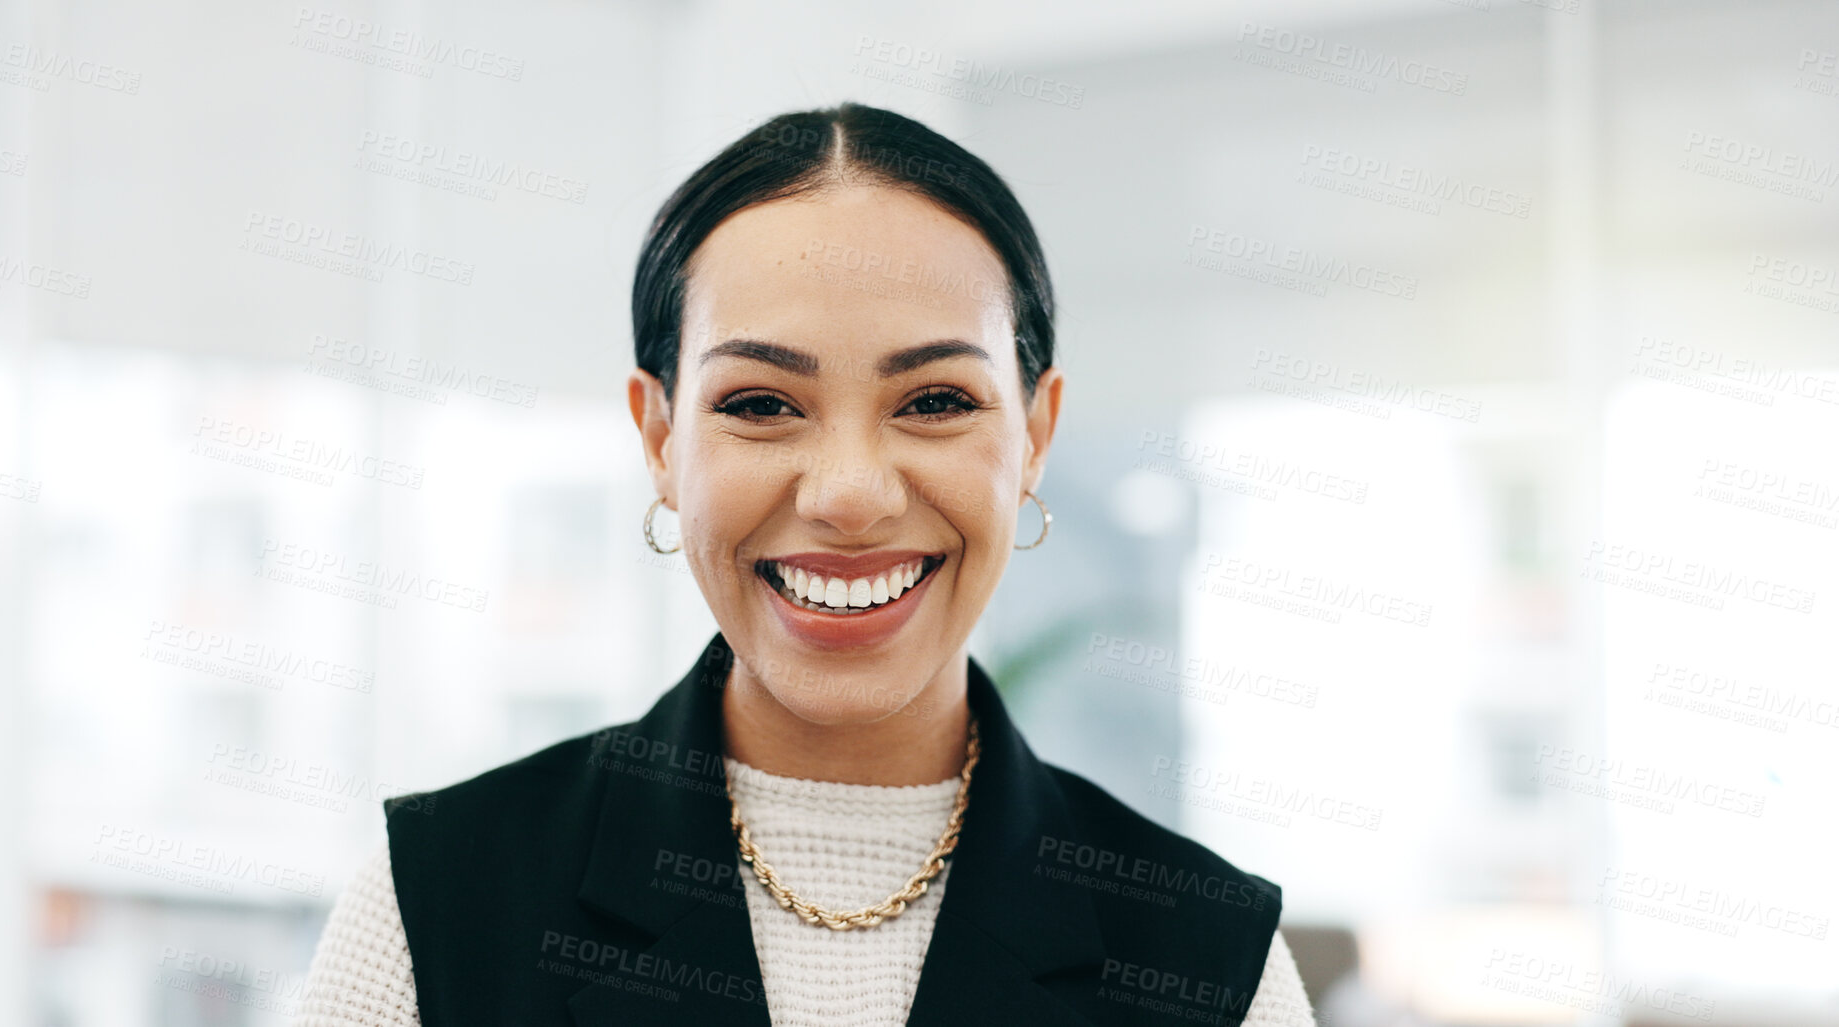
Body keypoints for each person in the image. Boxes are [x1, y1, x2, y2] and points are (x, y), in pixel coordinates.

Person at [294, 101, 1315, 1026]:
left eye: (935, 402)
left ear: (1036, 435)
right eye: (760, 404)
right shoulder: (439, 902)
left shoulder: (1209, 959)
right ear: (659, 438)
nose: (849, 493)